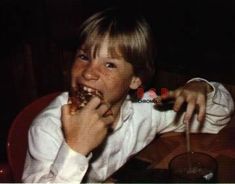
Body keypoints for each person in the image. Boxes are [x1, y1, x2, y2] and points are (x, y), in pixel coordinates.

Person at [22, 7, 234, 183]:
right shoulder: (48, 128)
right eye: (84, 56)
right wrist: (75, 149)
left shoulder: (146, 105)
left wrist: (201, 88)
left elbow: (217, 119)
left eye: (109, 64)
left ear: (135, 80)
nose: (88, 72)